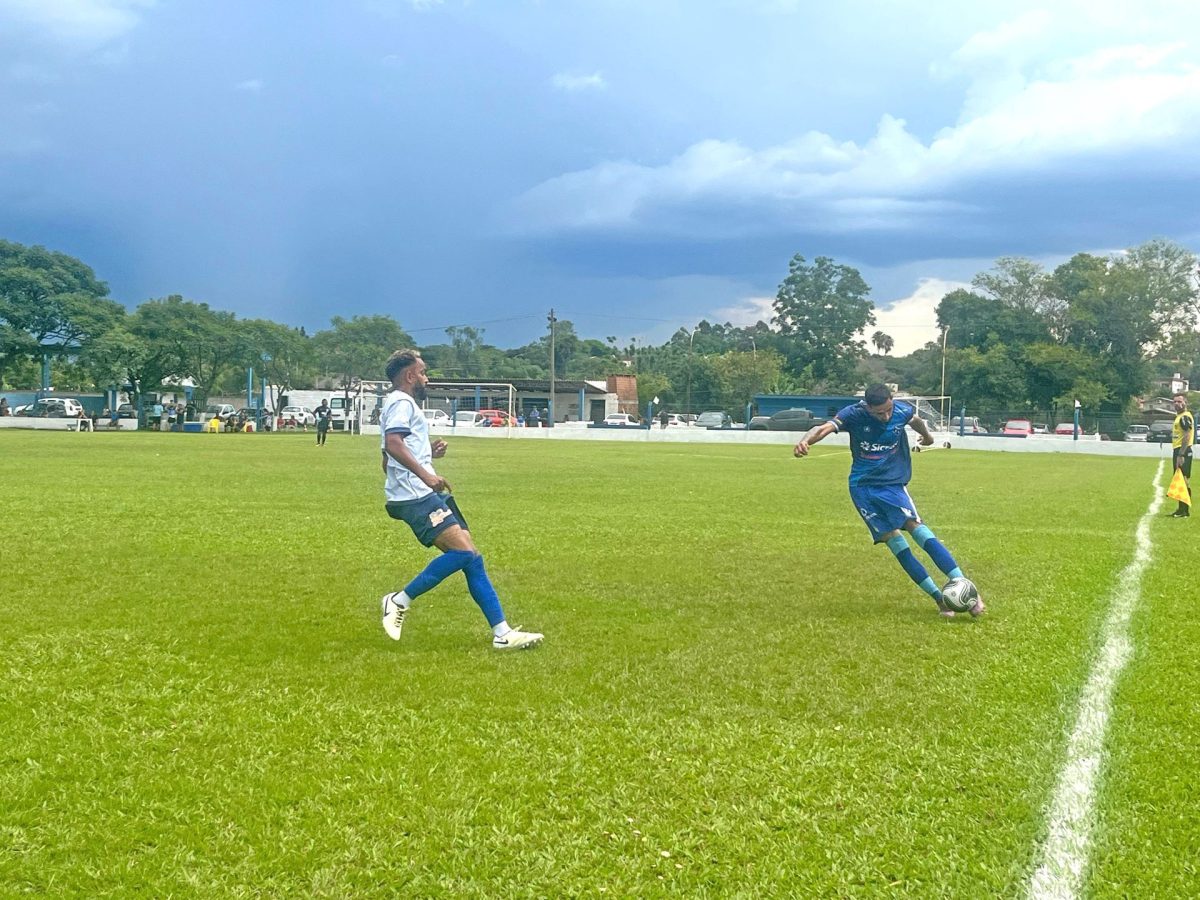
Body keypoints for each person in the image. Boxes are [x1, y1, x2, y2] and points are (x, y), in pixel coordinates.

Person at [378, 349, 543, 650]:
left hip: (416, 493)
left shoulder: (393, 404)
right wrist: (427, 475)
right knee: (464, 554)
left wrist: (427, 453)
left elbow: (388, 458)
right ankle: (398, 600)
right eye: (423, 372)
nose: (426, 378)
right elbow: (392, 444)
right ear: (410, 375)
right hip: (417, 496)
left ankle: (502, 633)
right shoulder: (402, 402)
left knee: (473, 558)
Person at [793, 383, 984, 618]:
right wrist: (806, 442)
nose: (885, 416)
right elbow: (822, 428)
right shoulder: (853, 414)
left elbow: (916, 421)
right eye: (878, 413)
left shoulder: (901, 411)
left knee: (916, 527)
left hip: (892, 483)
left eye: (888, 410)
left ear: (892, 401)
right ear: (867, 407)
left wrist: (927, 436)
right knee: (894, 542)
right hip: (862, 488)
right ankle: (939, 599)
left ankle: (966, 587)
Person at [1170, 392, 1194, 518]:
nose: (1177, 404)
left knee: (1183, 480)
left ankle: (1184, 511)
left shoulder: (1185, 417)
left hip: (1182, 451)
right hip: (1179, 450)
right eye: (1174, 402)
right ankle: (1181, 509)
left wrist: (1181, 454)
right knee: (1179, 480)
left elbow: (1187, 435)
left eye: (1179, 401)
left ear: (1185, 402)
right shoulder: (1179, 416)